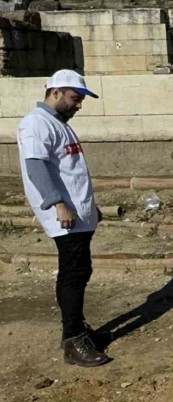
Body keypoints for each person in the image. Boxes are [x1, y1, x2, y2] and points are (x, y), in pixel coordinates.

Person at [17, 70, 109, 367]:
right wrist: (58, 204)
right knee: (73, 274)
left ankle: (76, 328)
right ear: (55, 92)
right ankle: (72, 339)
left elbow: (71, 171)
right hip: (64, 216)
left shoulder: (58, 123)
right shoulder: (36, 123)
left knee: (78, 272)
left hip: (77, 213)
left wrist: (89, 206)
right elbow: (36, 167)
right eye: (74, 98)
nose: (78, 105)